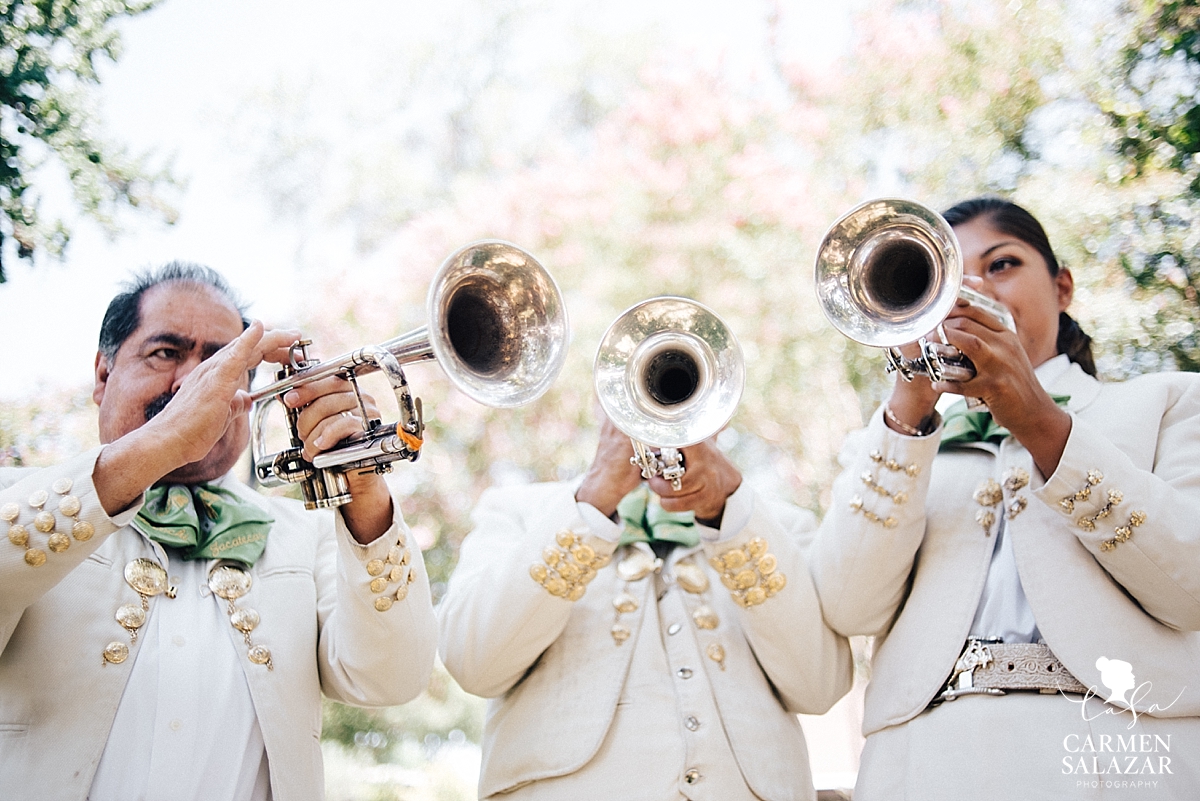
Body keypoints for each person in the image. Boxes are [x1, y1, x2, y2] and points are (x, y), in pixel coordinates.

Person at [0, 263, 437, 801]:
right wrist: (155, 446)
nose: (192, 382)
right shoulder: (22, 498)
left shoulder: (308, 536)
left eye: (220, 363)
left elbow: (392, 678)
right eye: (165, 353)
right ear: (103, 375)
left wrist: (364, 491)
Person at [811, 197, 1200, 799]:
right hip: (919, 769)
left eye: (1001, 265)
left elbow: (1190, 587)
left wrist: (1040, 422)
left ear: (1062, 287)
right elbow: (848, 607)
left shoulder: (1169, 402)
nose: (968, 291)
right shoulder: (898, 445)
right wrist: (907, 411)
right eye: (943, 276)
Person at [438, 409, 853, 800]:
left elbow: (820, 688)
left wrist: (728, 514)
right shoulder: (518, 512)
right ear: (599, 404)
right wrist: (591, 504)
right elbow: (473, 663)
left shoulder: (779, 523)